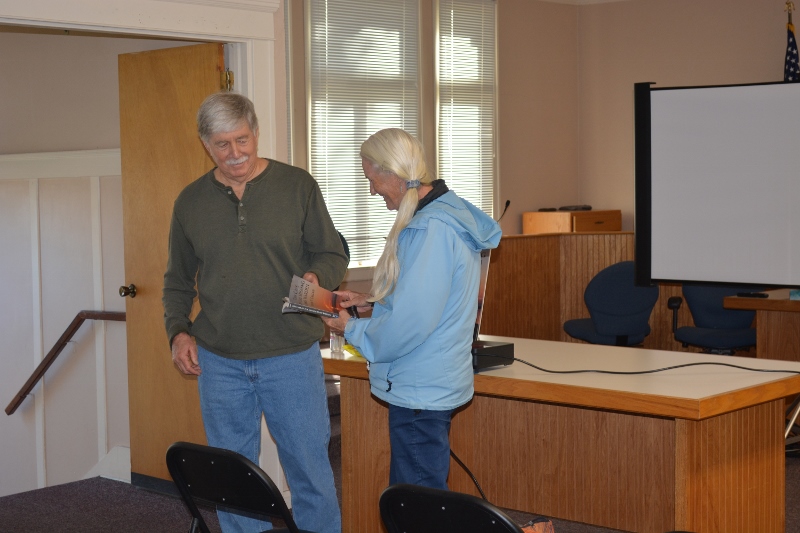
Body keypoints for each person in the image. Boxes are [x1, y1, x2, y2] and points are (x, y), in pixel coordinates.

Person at [162, 92, 347, 533]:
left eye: (242, 140)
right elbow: (176, 281)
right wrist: (178, 332)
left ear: (255, 131)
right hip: (219, 361)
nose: (235, 154)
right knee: (233, 481)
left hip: (290, 356)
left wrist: (317, 276)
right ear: (205, 143)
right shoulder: (190, 203)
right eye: (222, 144)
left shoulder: (297, 186)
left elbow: (332, 251)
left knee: (310, 474)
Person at [322, 128, 502, 490]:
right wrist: (372, 303)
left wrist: (350, 329)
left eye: (372, 180)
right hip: (430, 381)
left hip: (422, 387)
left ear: (393, 173)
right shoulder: (440, 215)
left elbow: (411, 322)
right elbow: (425, 297)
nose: (371, 190)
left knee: (417, 502)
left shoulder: (429, 229)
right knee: (423, 494)